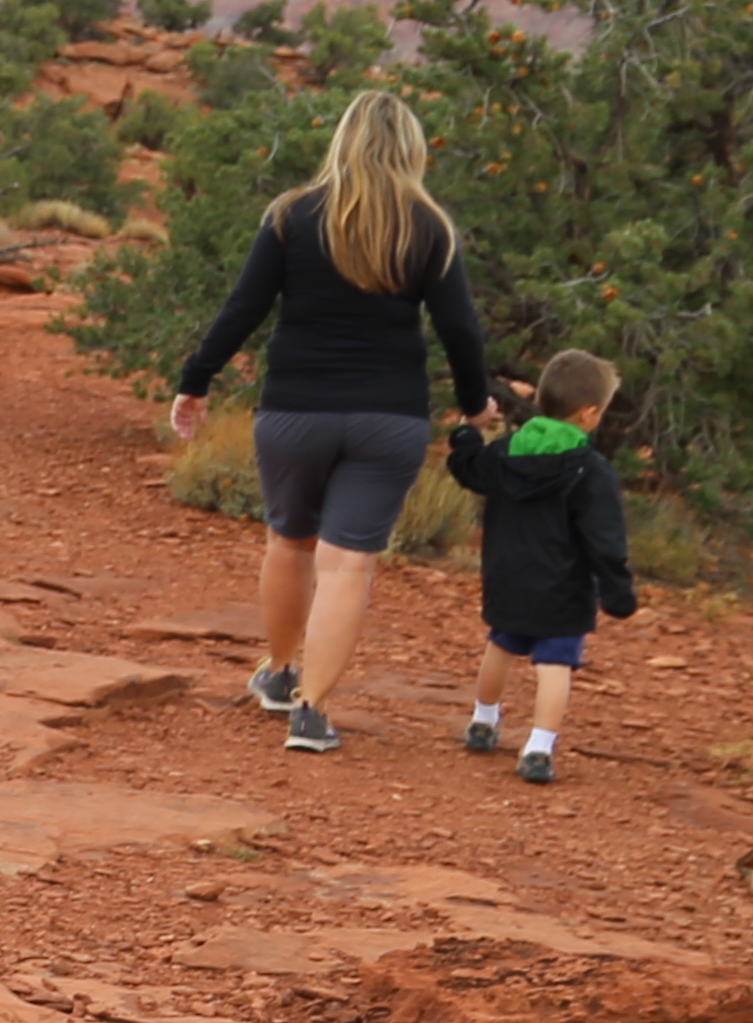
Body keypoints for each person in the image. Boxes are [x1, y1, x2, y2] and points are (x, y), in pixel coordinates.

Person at [171, 89, 497, 756]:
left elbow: (244, 307)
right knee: (348, 565)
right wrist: (474, 402)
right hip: (388, 418)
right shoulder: (428, 225)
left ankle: (280, 672)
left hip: (295, 411)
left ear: (342, 139)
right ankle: (311, 714)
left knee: (289, 543)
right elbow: (459, 327)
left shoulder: (292, 215)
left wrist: (195, 381)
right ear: (410, 148)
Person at [446, 347, 638, 783]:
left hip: (507, 578)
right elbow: (605, 538)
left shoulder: (507, 451)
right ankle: (538, 747)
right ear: (589, 413)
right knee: (554, 664)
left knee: (501, 645)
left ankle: (483, 719)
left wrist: (465, 435)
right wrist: (616, 590)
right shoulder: (591, 471)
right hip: (563, 590)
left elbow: (468, 468)